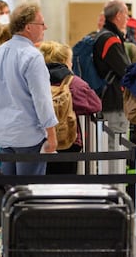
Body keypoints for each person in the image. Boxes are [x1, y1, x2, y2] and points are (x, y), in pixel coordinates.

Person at [0, 3, 57, 175]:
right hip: (30, 137)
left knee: (11, 191)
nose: (45, 27)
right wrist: (51, 134)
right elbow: (42, 99)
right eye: (42, 24)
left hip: (4, 135)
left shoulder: (0, 51)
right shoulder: (32, 56)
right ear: (28, 27)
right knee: (29, 193)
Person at [39, 41, 101, 174]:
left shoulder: (37, 79)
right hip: (67, 139)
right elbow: (95, 105)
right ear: (64, 61)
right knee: (65, 181)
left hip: (40, 139)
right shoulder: (74, 83)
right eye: (70, 60)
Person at [94, 0, 133, 140]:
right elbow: (125, 70)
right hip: (113, 101)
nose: (128, 19)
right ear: (118, 15)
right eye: (126, 15)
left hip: (105, 98)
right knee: (116, 146)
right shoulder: (110, 39)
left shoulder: (104, 35)